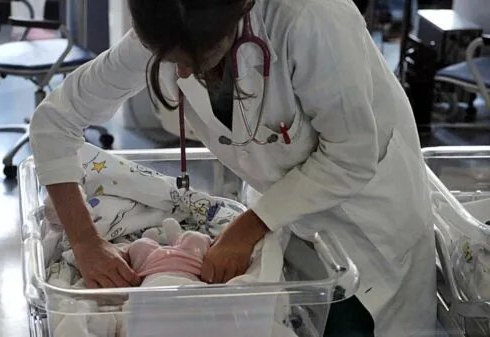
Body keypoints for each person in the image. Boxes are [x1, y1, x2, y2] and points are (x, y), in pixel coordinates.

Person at [28, 0, 437, 335]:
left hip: (372, 222)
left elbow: (351, 155)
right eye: (170, 61)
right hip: (286, 220)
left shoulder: (311, 18)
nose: (184, 73)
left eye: (198, 59)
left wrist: (248, 226)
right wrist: (85, 242)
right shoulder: (167, 20)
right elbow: (55, 122)